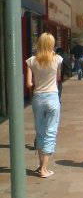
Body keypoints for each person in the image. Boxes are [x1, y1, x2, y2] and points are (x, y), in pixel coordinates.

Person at [25, 32, 63, 178]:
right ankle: (44, 169)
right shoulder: (57, 59)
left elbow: (29, 83)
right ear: (52, 44)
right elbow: (59, 77)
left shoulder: (31, 61)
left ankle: (41, 165)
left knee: (40, 131)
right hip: (52, 96)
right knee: (51, 131)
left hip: (38, 97)